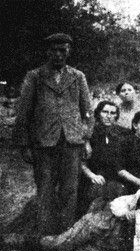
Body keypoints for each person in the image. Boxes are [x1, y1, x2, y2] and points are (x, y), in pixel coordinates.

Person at [0, 171, 140, 251]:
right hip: (100, 225)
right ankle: (8, 240)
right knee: (57, 244)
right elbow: (116, 204)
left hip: (112, 245)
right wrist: (125, 213)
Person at [12, 33, 93, 235]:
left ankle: (65, 234)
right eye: (54, 50)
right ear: (47, 52)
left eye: (63, 50)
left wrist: (86, 138)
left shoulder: (77, 76)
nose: (58, 55)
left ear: (68, 52)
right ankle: (46, 234)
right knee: (45, 189)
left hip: (71, 141)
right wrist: (24, 144)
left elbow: (88, 112)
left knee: (69, 190)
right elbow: (24, 113)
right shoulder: (35, 76)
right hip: (44, 143)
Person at [78, 101, 130, 215]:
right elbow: (81, 161)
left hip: (118, 177)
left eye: (112, 113)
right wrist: (92, 175)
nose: (109, 116)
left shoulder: (124, 133)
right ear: (98, 114)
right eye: (105, 112)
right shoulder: (89, 134)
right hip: (95, 176)